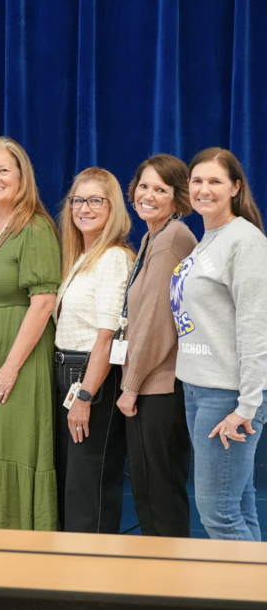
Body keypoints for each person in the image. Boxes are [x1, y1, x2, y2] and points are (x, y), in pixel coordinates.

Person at [0, 136, 60, 530]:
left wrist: (10, 368)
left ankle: (16, 554)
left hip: (19, 357)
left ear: (22, 178)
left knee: (10, 446)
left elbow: (44, 303)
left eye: (4, 170)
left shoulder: (34, 228)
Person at [172, 148, 267, 541]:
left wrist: (248, 404)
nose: (204, 189)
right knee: (239, 506)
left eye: (214, 181)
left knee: (220, 513)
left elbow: (255, 327)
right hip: (198, 389)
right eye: (197, 181)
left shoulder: (245, 241)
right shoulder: (208, 239)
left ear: (235, 187)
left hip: (227, 398)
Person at [115, 154, 196, 537]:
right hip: (152, 381)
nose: (148, 195)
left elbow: (155, 322)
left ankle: (171, 587)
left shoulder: (171, 240)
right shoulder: (153, 236)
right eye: (144, 186)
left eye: (160, 189)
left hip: (160, 385)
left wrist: (130, 386)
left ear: (178, 199)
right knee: (148, 491)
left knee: (160, 493)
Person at [52, 168, 134, 533]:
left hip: (90, 378)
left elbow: (108, 335)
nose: (84, 208)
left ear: (112, 206)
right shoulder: (80, 258)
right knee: (72, 485)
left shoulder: (113, 257)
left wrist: (85, 394)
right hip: (66, 371)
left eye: (95, 200)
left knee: (90, 487)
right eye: (78, 200)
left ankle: (95, 584)